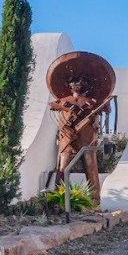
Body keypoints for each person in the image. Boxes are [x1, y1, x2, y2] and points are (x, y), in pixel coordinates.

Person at [48, 75, 108, 205]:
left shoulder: (93, 103)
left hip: (87, 141)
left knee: (90, 167)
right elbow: (53, 108)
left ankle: (95, 199)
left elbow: (104, 112)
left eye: (83, 81)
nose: (79, 84)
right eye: (75, 81)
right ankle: (58, 200)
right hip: (67, 140)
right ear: (69, 85)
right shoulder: (62, 101)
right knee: (62, 169)